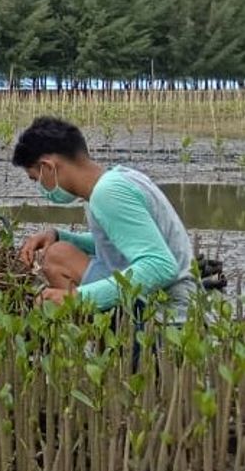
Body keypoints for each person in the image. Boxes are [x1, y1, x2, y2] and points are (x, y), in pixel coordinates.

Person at [13, 116, 198, 322]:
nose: (39, 187)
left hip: (169, 313)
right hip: (167, 297)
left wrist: (76, 298)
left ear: (48, 167)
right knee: (59, 253)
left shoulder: (107, 193)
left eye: (35, 179)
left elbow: (160, 266)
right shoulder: (117, 179)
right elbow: (121, 240)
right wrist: (57, 235)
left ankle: (105, 342)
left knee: (57, 259)